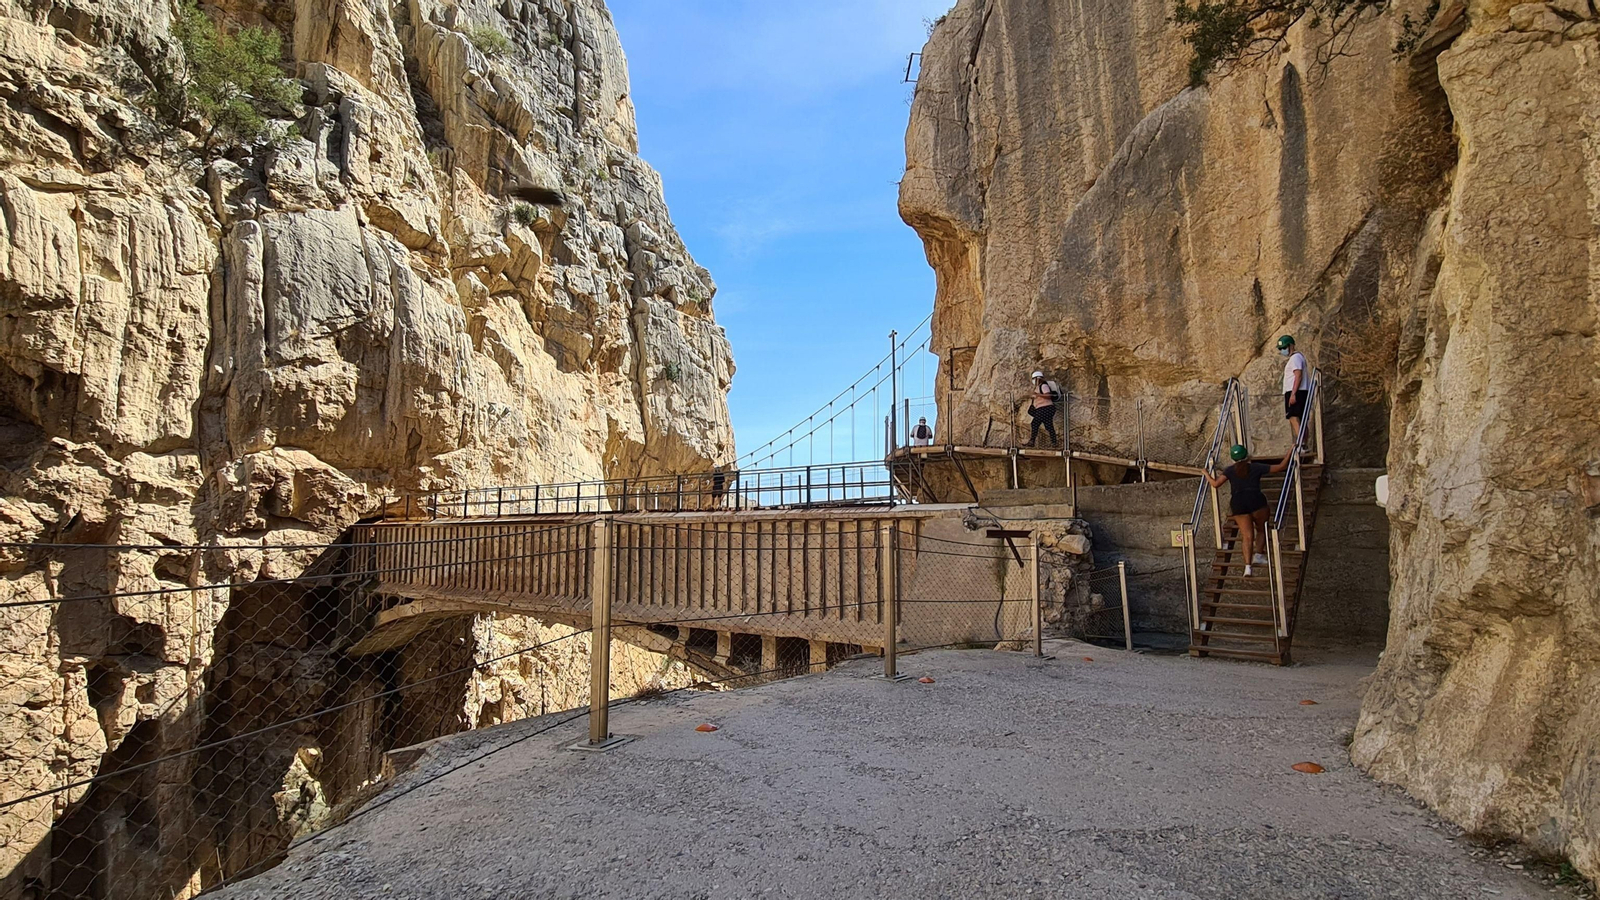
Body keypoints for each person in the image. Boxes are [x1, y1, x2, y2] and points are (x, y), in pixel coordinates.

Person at [1204, 444, 1293, 577]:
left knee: (1247, 536)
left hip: (1238, 502)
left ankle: (1247, 567)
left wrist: (1206, 473)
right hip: (1255, 499)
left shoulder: (1229, 470)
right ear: (1247, 455)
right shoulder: (1256, 467)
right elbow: (1281, 467)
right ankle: (1259, 555)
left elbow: (1215, 484)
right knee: (1261, 529)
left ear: (1233, 458)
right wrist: (1290, 451)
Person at [1279, 335, 1309, 448]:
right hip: (1300, 391)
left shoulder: (1295, 358)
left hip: (1296, 391)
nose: (1283, 350)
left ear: (1291, 346)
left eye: (1284, 347)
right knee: (1301, 418)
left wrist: (1293, 394)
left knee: (1293, 416)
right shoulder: (1298, 357)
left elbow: (1298, 375)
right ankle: (1304, 443)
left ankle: (1301, 443)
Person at [1022, 370, 1060, 447]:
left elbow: (1048, 395)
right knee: (1048, 425)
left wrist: (1037, 394)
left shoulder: (1043, 386)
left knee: (1034, 423)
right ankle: (1054, 442)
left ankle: (1032, 442)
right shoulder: (1038, 387)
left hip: (1045, 408)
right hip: (1045, 409)